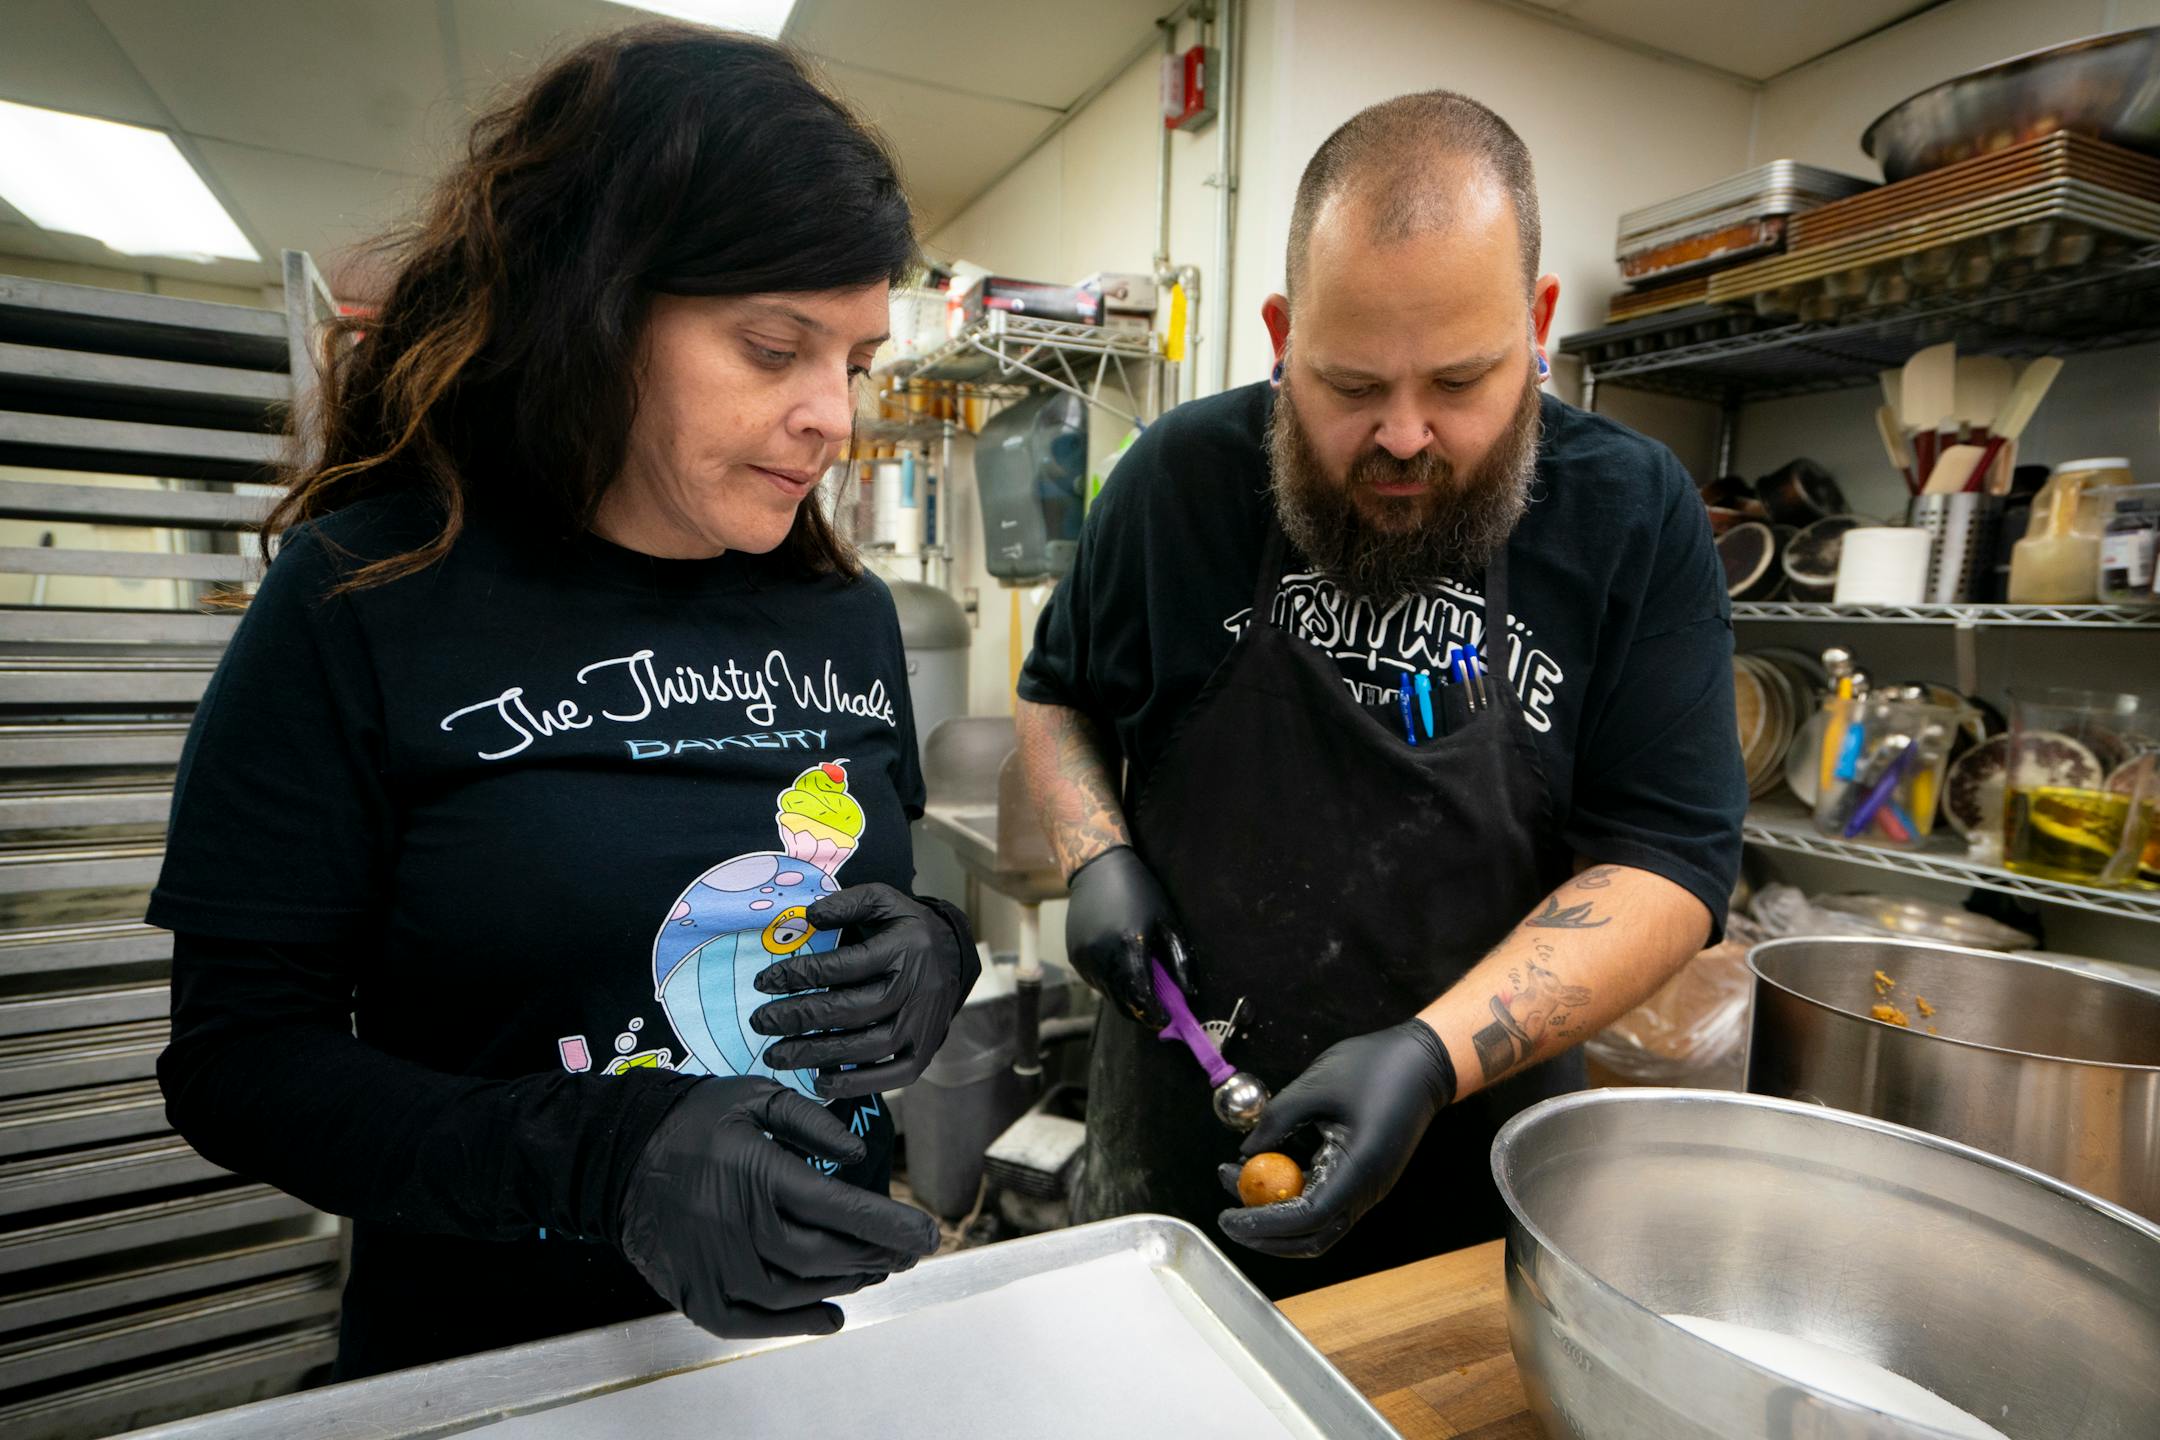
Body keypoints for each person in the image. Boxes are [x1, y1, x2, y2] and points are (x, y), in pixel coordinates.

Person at [151, 25, 979, 1380]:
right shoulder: (366, 598)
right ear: (594, 311)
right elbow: (237, 1061)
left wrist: (936, 949)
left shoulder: (845, 614)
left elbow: (873, 873)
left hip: (812, 1348)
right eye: (775, 347)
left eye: (854, 360)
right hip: (497, 1368)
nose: (834, 416)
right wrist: (601, 1159)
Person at [1016, 90, 1746, 1296]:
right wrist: (1094, 853)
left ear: (1538, 323)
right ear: (1281, 334)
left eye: (1461, 381)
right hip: (1172, 1170)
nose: (1405, 436)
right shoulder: (1177, 483)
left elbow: (1669, 863)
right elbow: (1057, 697)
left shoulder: (1634, 515)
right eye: (1350, 386)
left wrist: (1430, 1056)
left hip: (1466, 1193)